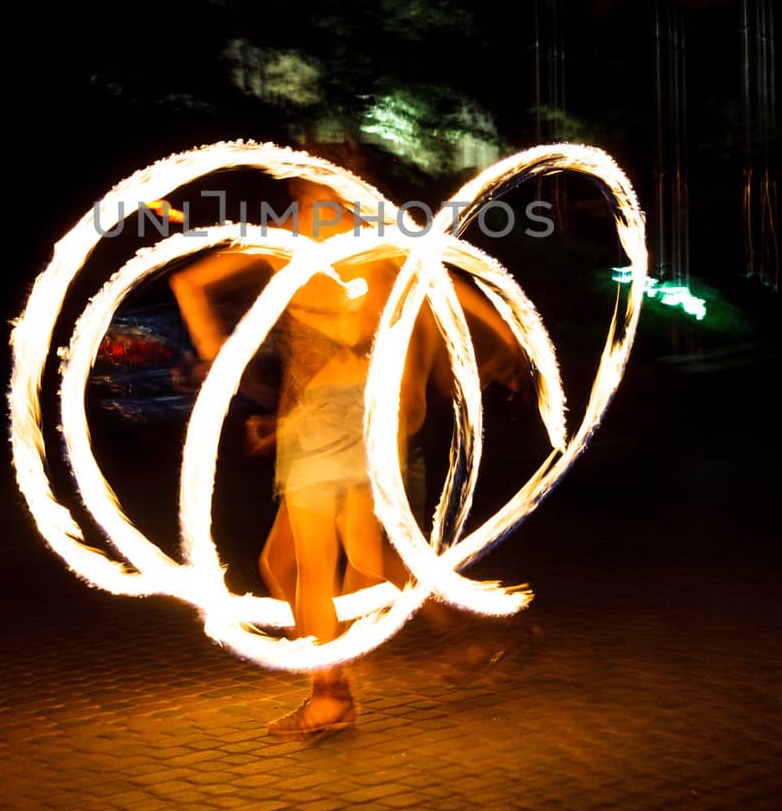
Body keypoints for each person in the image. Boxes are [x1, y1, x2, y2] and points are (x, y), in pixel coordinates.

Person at [170, 177, 525, 738]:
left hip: (333, 416)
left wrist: (219, 358)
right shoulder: (369, 237)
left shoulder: (292, 238)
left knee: (323, 562)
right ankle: (411, 642)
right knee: (287, 563)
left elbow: (189, 282)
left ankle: (331, 691)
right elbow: (449, 283)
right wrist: (510, 336)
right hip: (341, 414)